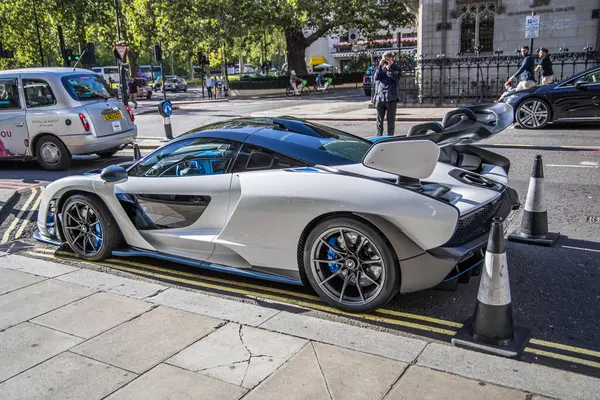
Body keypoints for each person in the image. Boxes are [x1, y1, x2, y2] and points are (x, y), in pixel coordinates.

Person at [373, 51, 401, 136]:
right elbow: (376, 78)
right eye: (383, 59)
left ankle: (390, 137)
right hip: (380, 98)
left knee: (391, 121)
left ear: (391, 59)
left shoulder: (396, 68)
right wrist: (380, 66)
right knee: (379, 121)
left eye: (387, 60)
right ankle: (379, 137)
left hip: (391, 98)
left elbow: (396, 79)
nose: (385, 61)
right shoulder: (381, 68)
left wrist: (389, 69)